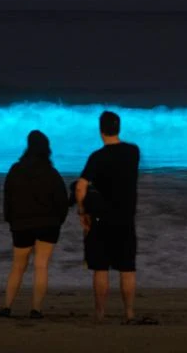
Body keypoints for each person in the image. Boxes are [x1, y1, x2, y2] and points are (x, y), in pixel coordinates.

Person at [75, 110, 141, 323]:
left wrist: (82, 211)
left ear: (100, 130)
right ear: (118, 128)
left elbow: (80, 187)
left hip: (101, 219)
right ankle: (129, 313)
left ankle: (100, 314)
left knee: (101, 268)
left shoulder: (96, 157)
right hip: (125, 218)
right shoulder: (133, 152)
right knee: (127, 269)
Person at [0, 130, 69, 319]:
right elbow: (61, 202)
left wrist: (11, 220)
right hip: (48, 224)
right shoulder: (52, 173)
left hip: (21, 224)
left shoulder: (15, 169)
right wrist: (59, 221)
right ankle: (36, 309)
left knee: (18, 266)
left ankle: (6, 307)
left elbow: (8, 198)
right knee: (41, 266)